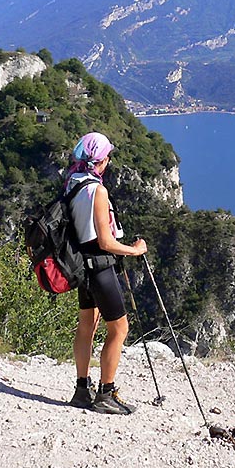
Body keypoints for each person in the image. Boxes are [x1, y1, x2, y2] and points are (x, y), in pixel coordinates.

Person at [65, 132, 147, 414]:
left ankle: (81, 389)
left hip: (81, 266)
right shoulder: (97, 191)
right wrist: (135, 250)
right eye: (107, 157)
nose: (108, 161)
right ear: (101, 161)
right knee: (119, 328)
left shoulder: (73, 183)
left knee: (87, 324)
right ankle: (106, 393)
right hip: (100, 267)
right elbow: (105, 242)